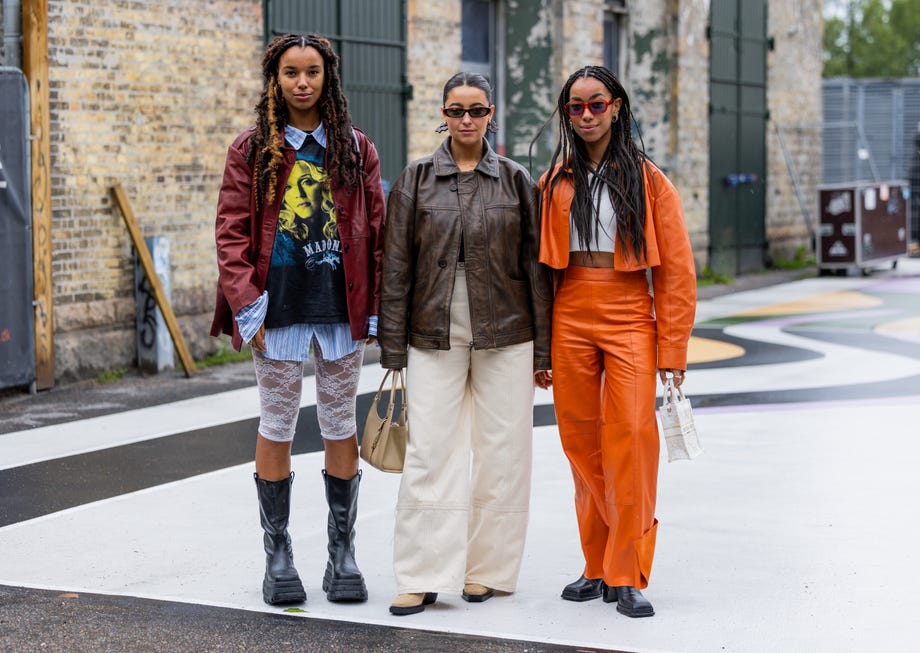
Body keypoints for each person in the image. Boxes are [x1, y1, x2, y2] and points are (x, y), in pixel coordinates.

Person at [210, 33, 385, 606]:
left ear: (327, 77)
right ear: (275, 79)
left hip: (340, 306)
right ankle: (278, 553)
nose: (302, 82)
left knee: (341, 423)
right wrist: (247, 307)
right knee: (277, 422)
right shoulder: (250, 149)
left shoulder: (356, 149)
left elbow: (377, 234)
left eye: (312, 72)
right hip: (276, 308)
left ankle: (342, 553)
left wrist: (379, 309)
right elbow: (231, 233)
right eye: (291, 72)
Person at [379, 72, 553, 616]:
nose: (467, 120)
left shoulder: (518, 181)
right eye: (457, 110)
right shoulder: (415, 179)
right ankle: (423, 573)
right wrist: (391, 350)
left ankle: (488, 570)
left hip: (507, 328)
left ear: (491, 113)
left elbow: (536, 267)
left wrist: (544, 351)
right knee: (431, 451)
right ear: (444, 113)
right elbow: (397, 267)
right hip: (433, 329)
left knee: (505, 451)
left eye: (476, 110)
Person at [531, 65, 696, 618]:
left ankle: (627, 570)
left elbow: (675, 270)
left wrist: (673, 351)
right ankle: (596, 564)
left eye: (595, 104)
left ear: (617, 106)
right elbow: (534, 273)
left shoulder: (650, 182)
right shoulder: (553, 182)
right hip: (570, 311)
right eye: (574, 108)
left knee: (630, 441)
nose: (585, 116)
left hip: (629, 313)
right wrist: (538, 344)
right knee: (581, 446)